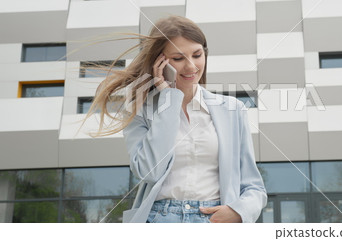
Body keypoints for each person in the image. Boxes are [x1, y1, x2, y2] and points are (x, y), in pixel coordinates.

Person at [82, 15, 267, 223]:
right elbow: (149, 172)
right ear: (159, 63)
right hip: (160, 219)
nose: (191, 66)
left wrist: (237, 212)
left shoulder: (233, 110)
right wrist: (168, 101)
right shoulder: (139, 110)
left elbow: (254, 187)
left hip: (214, 219)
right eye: (178, 59)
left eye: (197, 55)